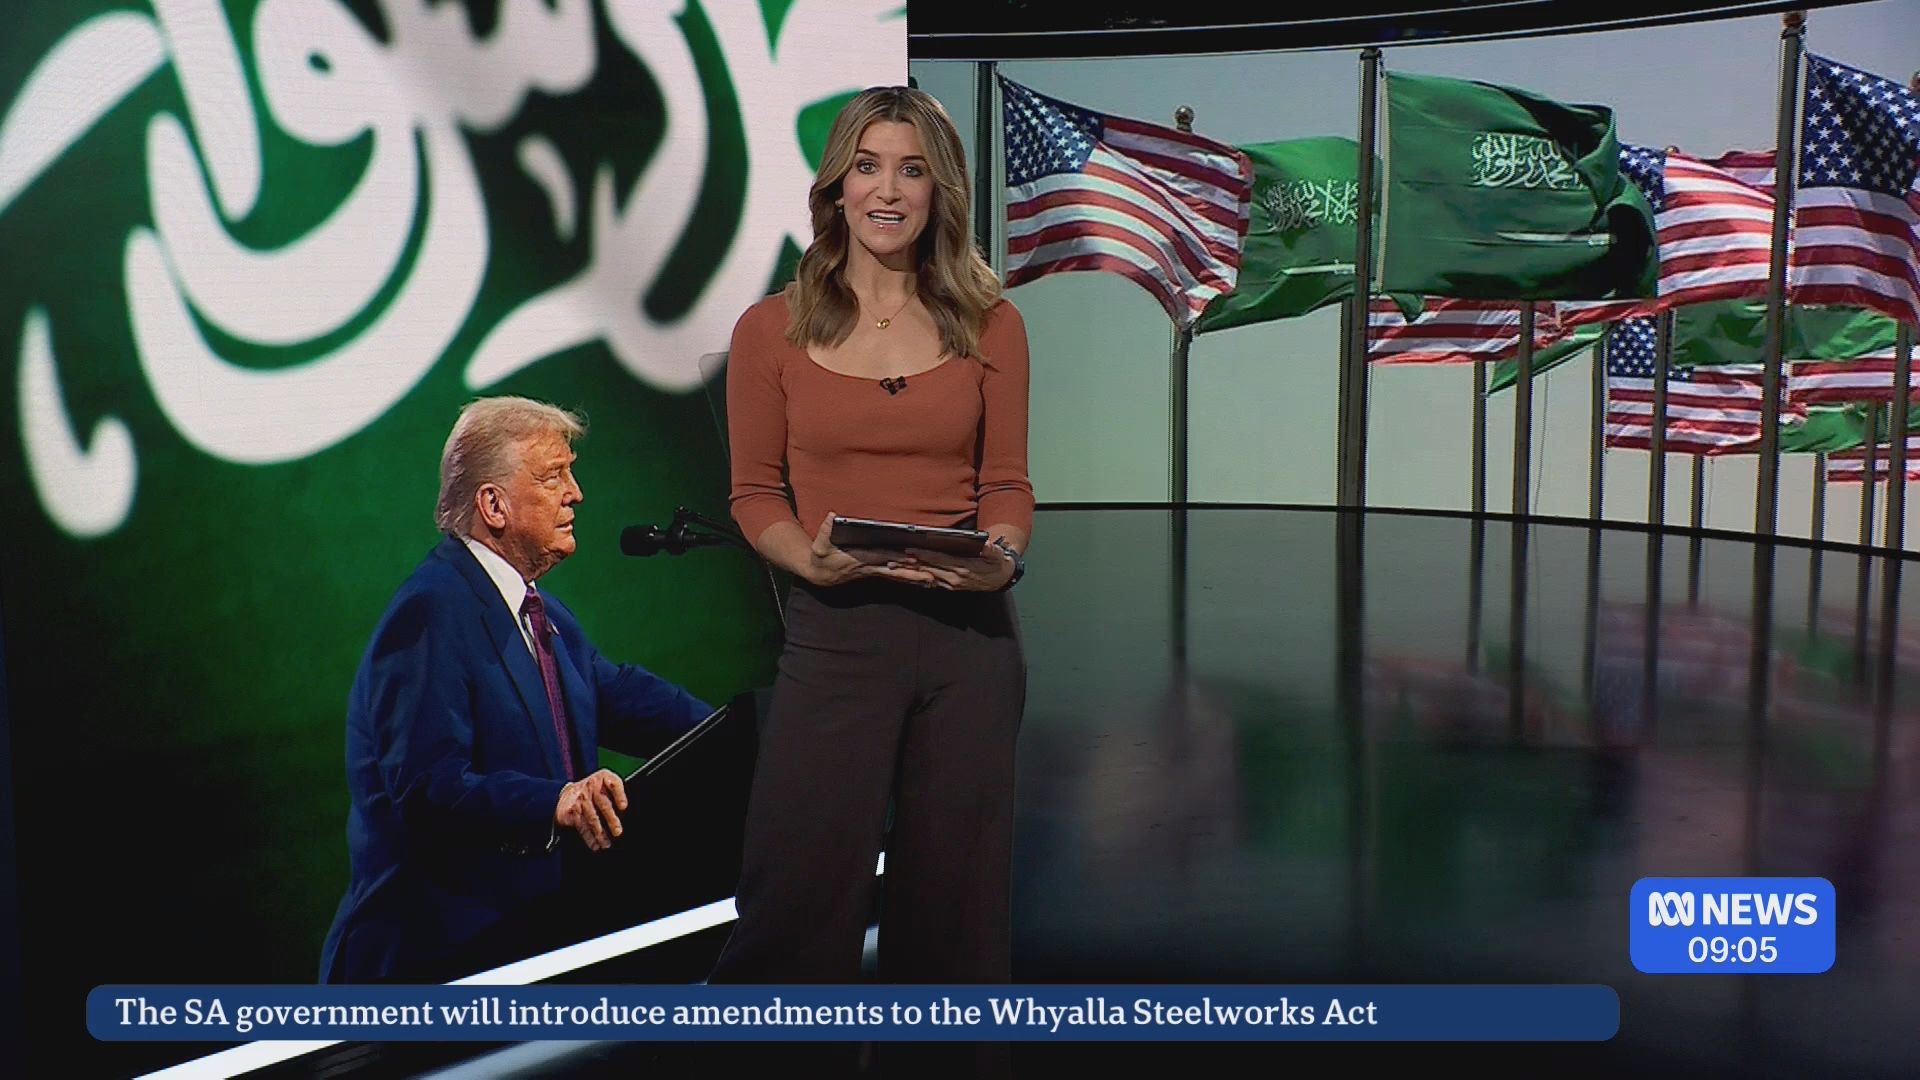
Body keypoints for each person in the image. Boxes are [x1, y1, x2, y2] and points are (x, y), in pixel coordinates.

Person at [707, 82, 1032, 1002]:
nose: (888, 190)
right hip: (837, 633)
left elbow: (1007, 483)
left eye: (912, 170)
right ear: (837, 187)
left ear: (939, 192)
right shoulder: (769, 330)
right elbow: (754, 493)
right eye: (868, 166)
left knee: (955, 922)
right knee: (794, 902)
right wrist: (805, 558)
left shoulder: (992, 323)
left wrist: (1001, 557)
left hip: (969, 642)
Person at [319, 396, 712, 984]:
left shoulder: (542, 613)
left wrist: (744, 732)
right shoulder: (430, 612)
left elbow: (621, 696)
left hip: (533, 943)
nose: (576, 493)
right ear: (494, 505)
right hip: (436, 970)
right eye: (554, 477)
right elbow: (428, 789)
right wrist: (556, 801)